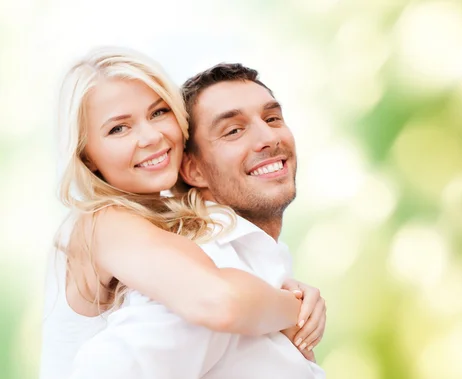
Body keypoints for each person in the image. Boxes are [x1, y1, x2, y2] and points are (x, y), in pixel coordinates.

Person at [40, 48, 325, 379]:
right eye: (118, 128)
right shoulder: (102, 223)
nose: (151, 137)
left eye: (159, 112)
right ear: (86, 155)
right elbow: (219, 300)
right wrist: (295, 307)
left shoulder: (174, 228)